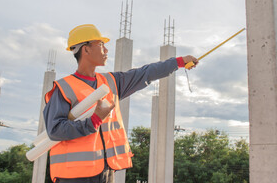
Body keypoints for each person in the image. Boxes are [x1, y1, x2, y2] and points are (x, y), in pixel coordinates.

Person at [43, 24, 198, 183]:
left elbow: (145, 73)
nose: (106, 50)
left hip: (105, 172)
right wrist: (95, 120)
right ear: (86, 49)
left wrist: (178, 62)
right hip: (74, 177)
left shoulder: (111, 82)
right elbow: (55, 130)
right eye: (101, 45)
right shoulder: (63, 88)